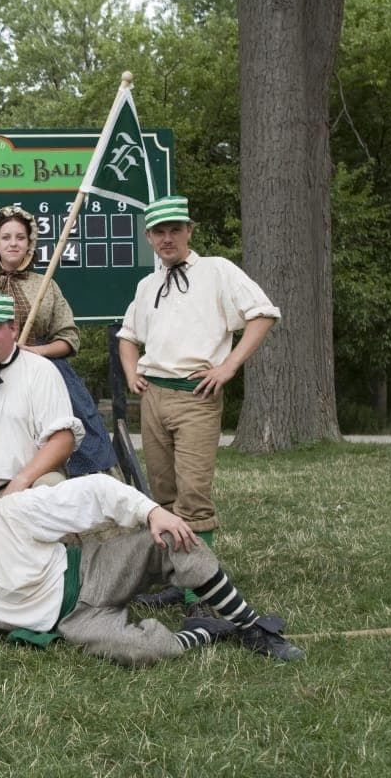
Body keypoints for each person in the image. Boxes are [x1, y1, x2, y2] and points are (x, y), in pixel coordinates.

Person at [0, 447, 303, 668]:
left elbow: (96, 491)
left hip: (91, 572)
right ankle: (208, 630)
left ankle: (252, 627)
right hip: (73, 622)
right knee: (143, 652)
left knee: (173, 536)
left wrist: (152, 512)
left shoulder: (12, 510)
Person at [119, 196, 279, 611]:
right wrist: (132, 372)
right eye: (159, 232)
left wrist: (228, 366)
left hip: (196, 394)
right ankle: (178, 579)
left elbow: (263, 314)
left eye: (175, 229)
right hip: (153, 396)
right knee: (164, 495)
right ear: (149, 237)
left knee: (193, 494)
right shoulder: (147, 284)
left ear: (189, 230)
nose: (167, 238)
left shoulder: (216, 270)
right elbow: (127, 336)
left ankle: (199, 592)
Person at [0, 206, 115, 477]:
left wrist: (35, 352)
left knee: (73, 432)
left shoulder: (47, 284)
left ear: (30, 243)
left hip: (47, 370)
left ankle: (77, 484)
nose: (13, 243)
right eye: (6, 237)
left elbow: (70, 338)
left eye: (20, 237)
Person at [0, 294, 83, 495]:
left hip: (28, 487)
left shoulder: (41, 370)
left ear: (13, 329)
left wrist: (21, 481)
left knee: (52, 484)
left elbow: (63, 440)